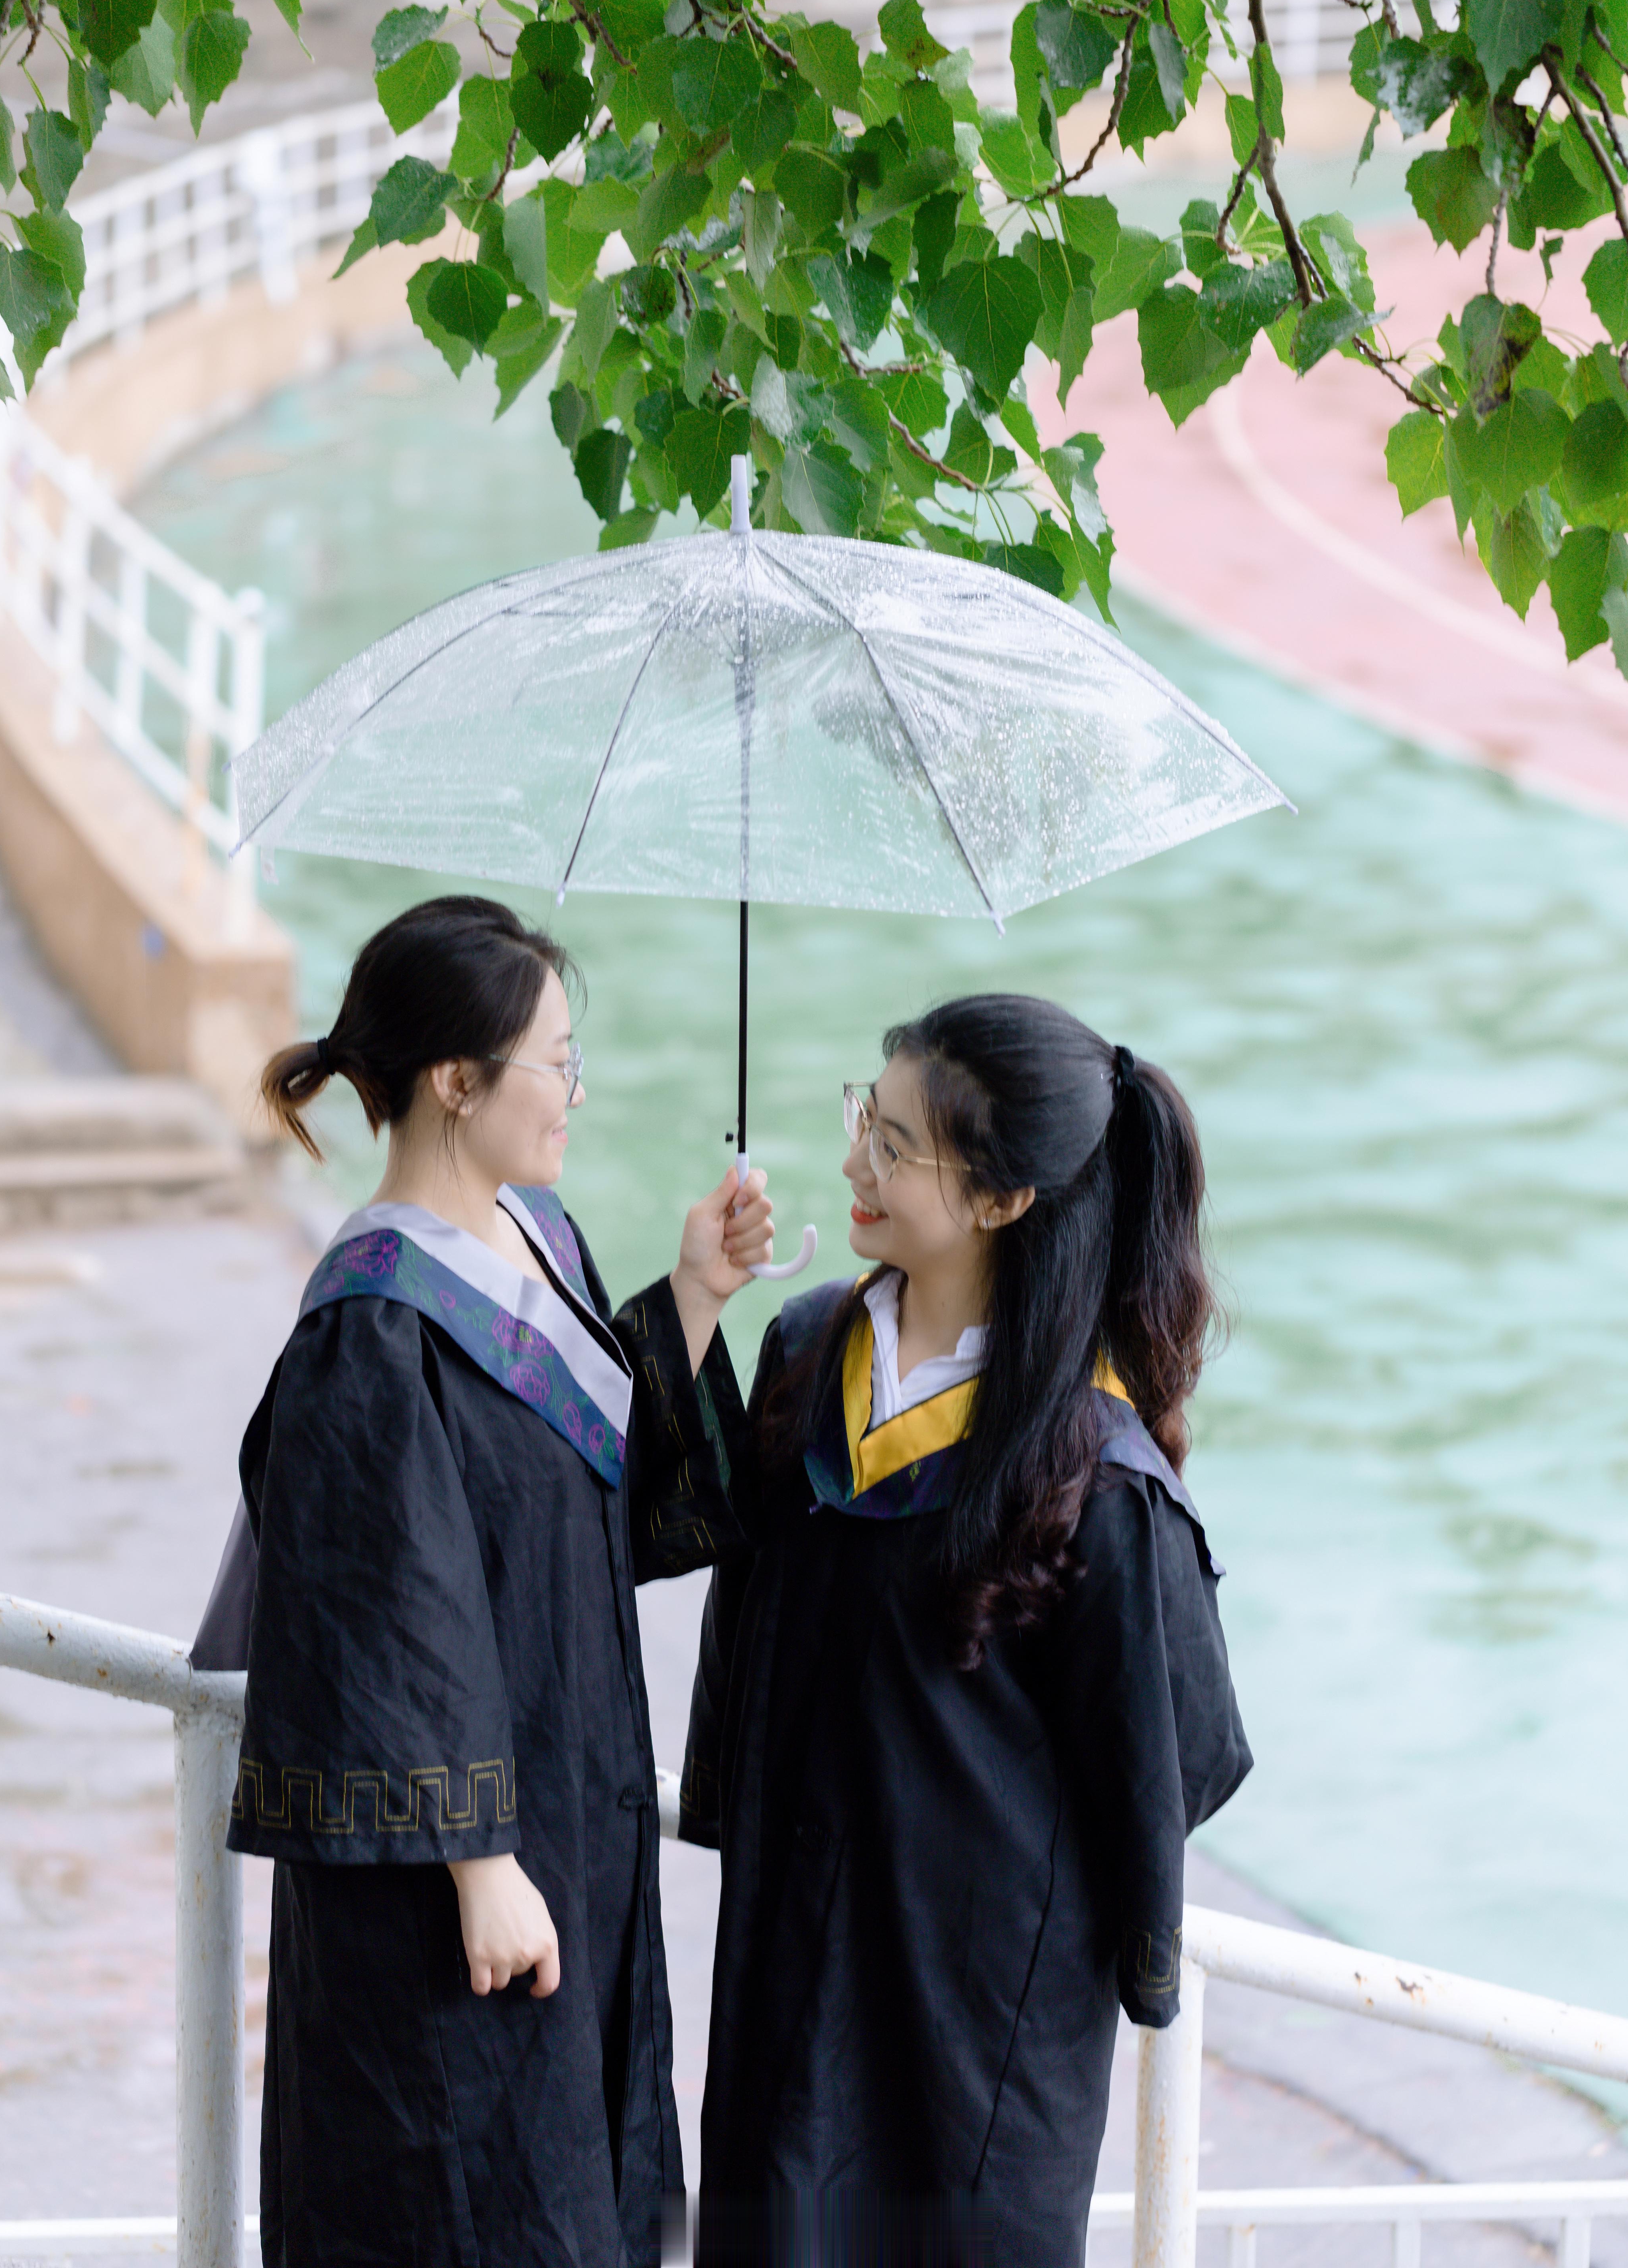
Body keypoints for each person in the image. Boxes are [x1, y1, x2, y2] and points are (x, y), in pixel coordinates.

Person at [207, 895, 772, 2268]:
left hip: (566, 1817)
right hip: (456, 1887)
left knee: (578, 2179)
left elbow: (576, 1507)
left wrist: (691, 1300)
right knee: (468, 2193)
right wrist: (478, 1864)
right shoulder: (370, 1325)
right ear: (459, 1085)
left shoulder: (542, 1241)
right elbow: (386, 1610)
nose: (576, 1090)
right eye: (556, 1062)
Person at [680, 993, 1252, 2268]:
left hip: (969, 2018)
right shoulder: (806, 1348)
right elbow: (717, 1573)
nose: (852, 1167)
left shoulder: (1093, 1473)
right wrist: (693, 1304)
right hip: (789, 1960)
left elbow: (1178, 1753)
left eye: (893, 1148)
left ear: (1002, 1201)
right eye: (861, 1123)